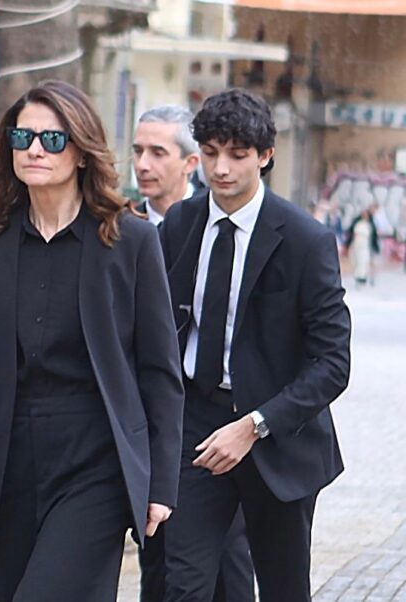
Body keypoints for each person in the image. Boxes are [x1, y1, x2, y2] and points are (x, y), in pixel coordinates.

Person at [0, 80, 184, 601]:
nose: (34, 149)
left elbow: (158, 370)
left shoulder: (130, 241)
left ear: (80, 151)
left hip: (94, 459)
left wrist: (161, 480)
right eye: (22, 137)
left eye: (52, 139)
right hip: (4, 457)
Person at [159, 89, 350, 602]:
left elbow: (332, 363)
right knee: (183, 585)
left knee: (284, 589)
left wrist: (255, 424)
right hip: (195, 428)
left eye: (238, 155)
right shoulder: (178, 226)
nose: (222, 169)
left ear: (265, 157)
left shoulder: (306, 240)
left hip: (276, 439)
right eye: (213, 153)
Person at [132, 106, 254, 602]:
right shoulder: (117, 226)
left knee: (224, 561)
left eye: (158, 152)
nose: (143, 164)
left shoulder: (217, 224)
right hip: (156, 424)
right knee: (159, 564)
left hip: (221, 421)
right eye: (137, 151)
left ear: (188, 162)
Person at [346, 205, 379, 288]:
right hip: (356, 245)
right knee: (356, 261)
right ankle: (357, 276)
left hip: (365, 246)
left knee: (363, 261)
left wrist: (375, 247)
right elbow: (351, 234)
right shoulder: (357, 223)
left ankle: (362, 277)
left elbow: (374, 237)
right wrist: (347, 244)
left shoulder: (370, 225)